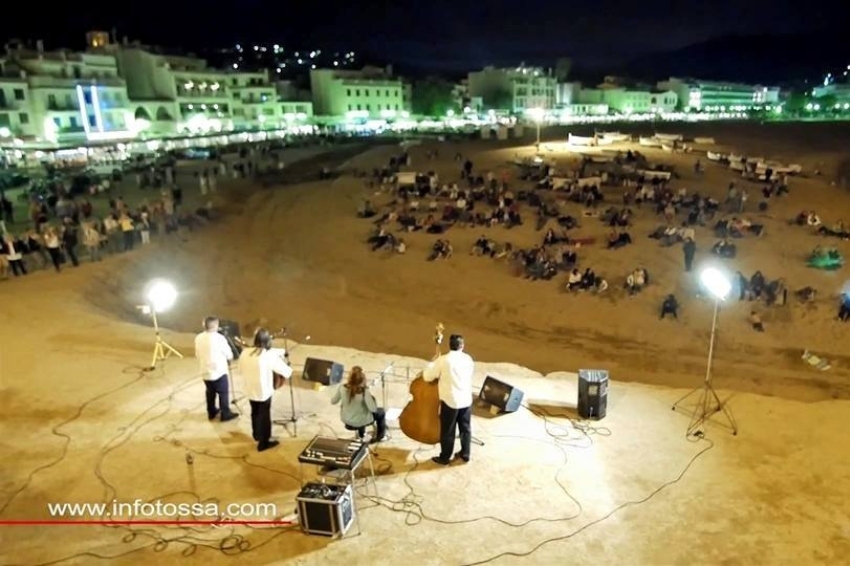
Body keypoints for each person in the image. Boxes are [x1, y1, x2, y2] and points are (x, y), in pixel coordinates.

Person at [423, 334, 475, 465]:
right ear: (462, 346)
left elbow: (428, 377)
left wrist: (432, 363)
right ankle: (465, 454)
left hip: (450, 401)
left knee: (448, 430)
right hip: (466, 400)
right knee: (466, 428)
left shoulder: (443, 360)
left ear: (449, 346)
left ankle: (445, 457)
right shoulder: (468, 359)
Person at [240, 328, 292, 452]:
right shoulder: (268, 356)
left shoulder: (245, 352)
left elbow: (239, 368)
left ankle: (256, 434)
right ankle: (264, 443)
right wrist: (286, 363)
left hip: (250, 389)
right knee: (264, 416)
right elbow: (287, 372)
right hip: (263, 391)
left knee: (255, 412)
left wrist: (280, 353)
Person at [194, 316, 239, 422]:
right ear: (216, 326)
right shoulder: (219, 338)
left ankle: (211, 412)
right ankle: (225, 413)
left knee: (210, 392)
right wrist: (231, 357)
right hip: (219, 371)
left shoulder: (198, 337)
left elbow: (197, 354)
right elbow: (229, 354)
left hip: (205, 371)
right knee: (223, 393)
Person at [331, 366, 388, 443]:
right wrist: (371, 397)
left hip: (347, 420)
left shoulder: (342, 388)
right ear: (363, 380)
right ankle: (380, 437)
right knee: (381, 412)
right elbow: (373, 409)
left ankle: (361, 435)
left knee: (360, 410)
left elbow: (333, 401)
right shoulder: (364, 392)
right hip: (361, 421)